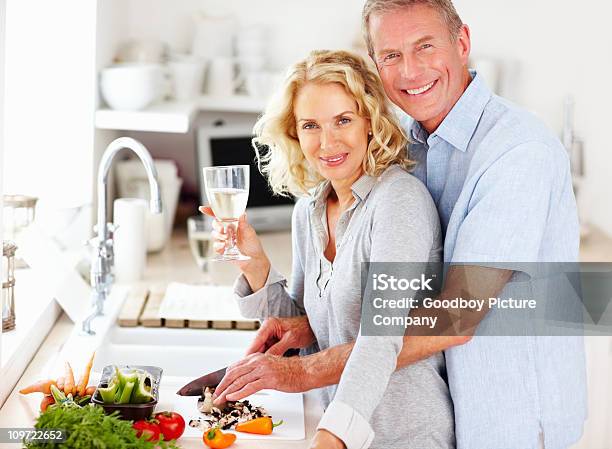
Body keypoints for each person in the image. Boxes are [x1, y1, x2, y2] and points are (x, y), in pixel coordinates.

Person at [208, 1, 588, 449]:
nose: (409, 71)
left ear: (462, 43)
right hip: (433, 413)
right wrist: (301, 314)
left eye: (424, 46)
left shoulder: (517, 155)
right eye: (391, 55)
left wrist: (304, 370)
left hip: (512, 414)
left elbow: (457, 314)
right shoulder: (407, 147)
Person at [201, 49, 457, 449]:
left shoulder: (398, 202)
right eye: (310, 126)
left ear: (370, 121)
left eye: (343, 120)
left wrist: (332, 437)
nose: (328, 142)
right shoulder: (308, 211)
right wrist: (254, 263)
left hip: (405, 436)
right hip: (334, 428)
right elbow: (306, 333)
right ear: (294, 134)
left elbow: (381, 337)